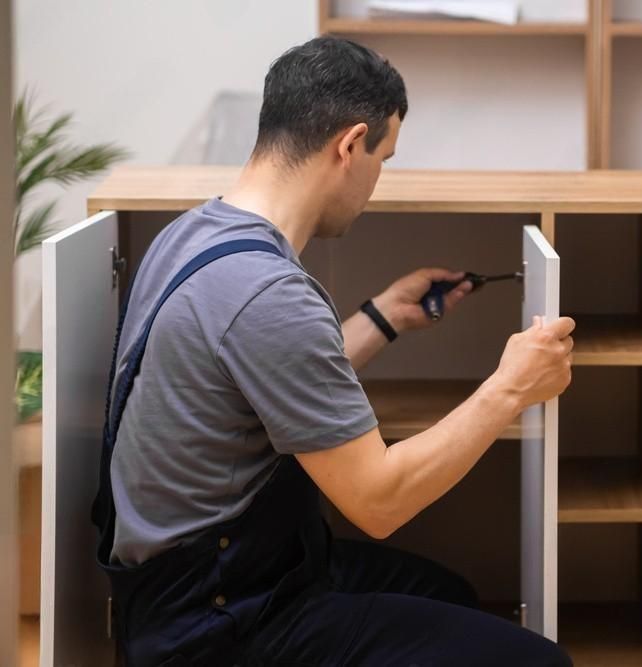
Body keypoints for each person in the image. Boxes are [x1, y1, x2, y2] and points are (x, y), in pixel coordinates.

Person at [92, 35, 575, 666]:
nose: (379, 179)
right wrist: (511, 386)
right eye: (385, 157)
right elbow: (381, 501)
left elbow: (268, 378)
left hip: (191, 592)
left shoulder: (193, 235)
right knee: (543, 663)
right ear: (349, 145)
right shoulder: (269, 293)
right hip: (220, 625)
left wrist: (381, 319)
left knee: (449, 594)